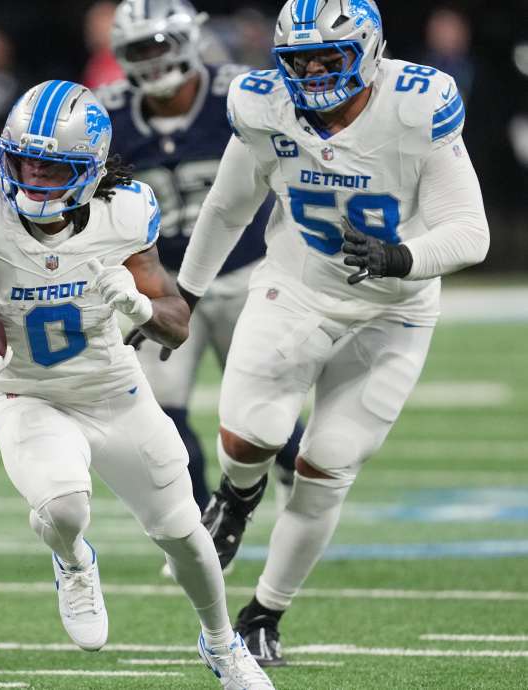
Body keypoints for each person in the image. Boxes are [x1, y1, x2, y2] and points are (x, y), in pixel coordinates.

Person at [0, 81, 273, 689]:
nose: (32, 179)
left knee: (183, 532)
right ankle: (72, 560)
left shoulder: (126, 214)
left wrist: (139, 311)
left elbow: (175, 322)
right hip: (23, 391)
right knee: (63, 506)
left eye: (51, 166)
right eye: (22, 161)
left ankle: (222, 645)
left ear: (89, 170)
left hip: (112, 387)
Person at [176, 0, 489, 666]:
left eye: (329, 59)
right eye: (301, 61)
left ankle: (264, 612)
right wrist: (187, 292)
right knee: (246, 434)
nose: (314, 74)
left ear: (370, 51)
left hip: (393, 308)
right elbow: (229, 206)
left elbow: (470, 232)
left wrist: (398, 257)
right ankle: (238, 493)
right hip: (297, 286)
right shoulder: (264, 106)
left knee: (328, 466)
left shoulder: (415, 103)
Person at [103, 0, 303, 531]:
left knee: (264, 410)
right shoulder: (110, 114)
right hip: (162, 287)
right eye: (137, 49)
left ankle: (292, 485)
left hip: (247, 273)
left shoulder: (238, 96)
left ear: (189, 39)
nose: (149, 59)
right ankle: (200, 525)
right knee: (156, 412)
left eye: (158, 45)